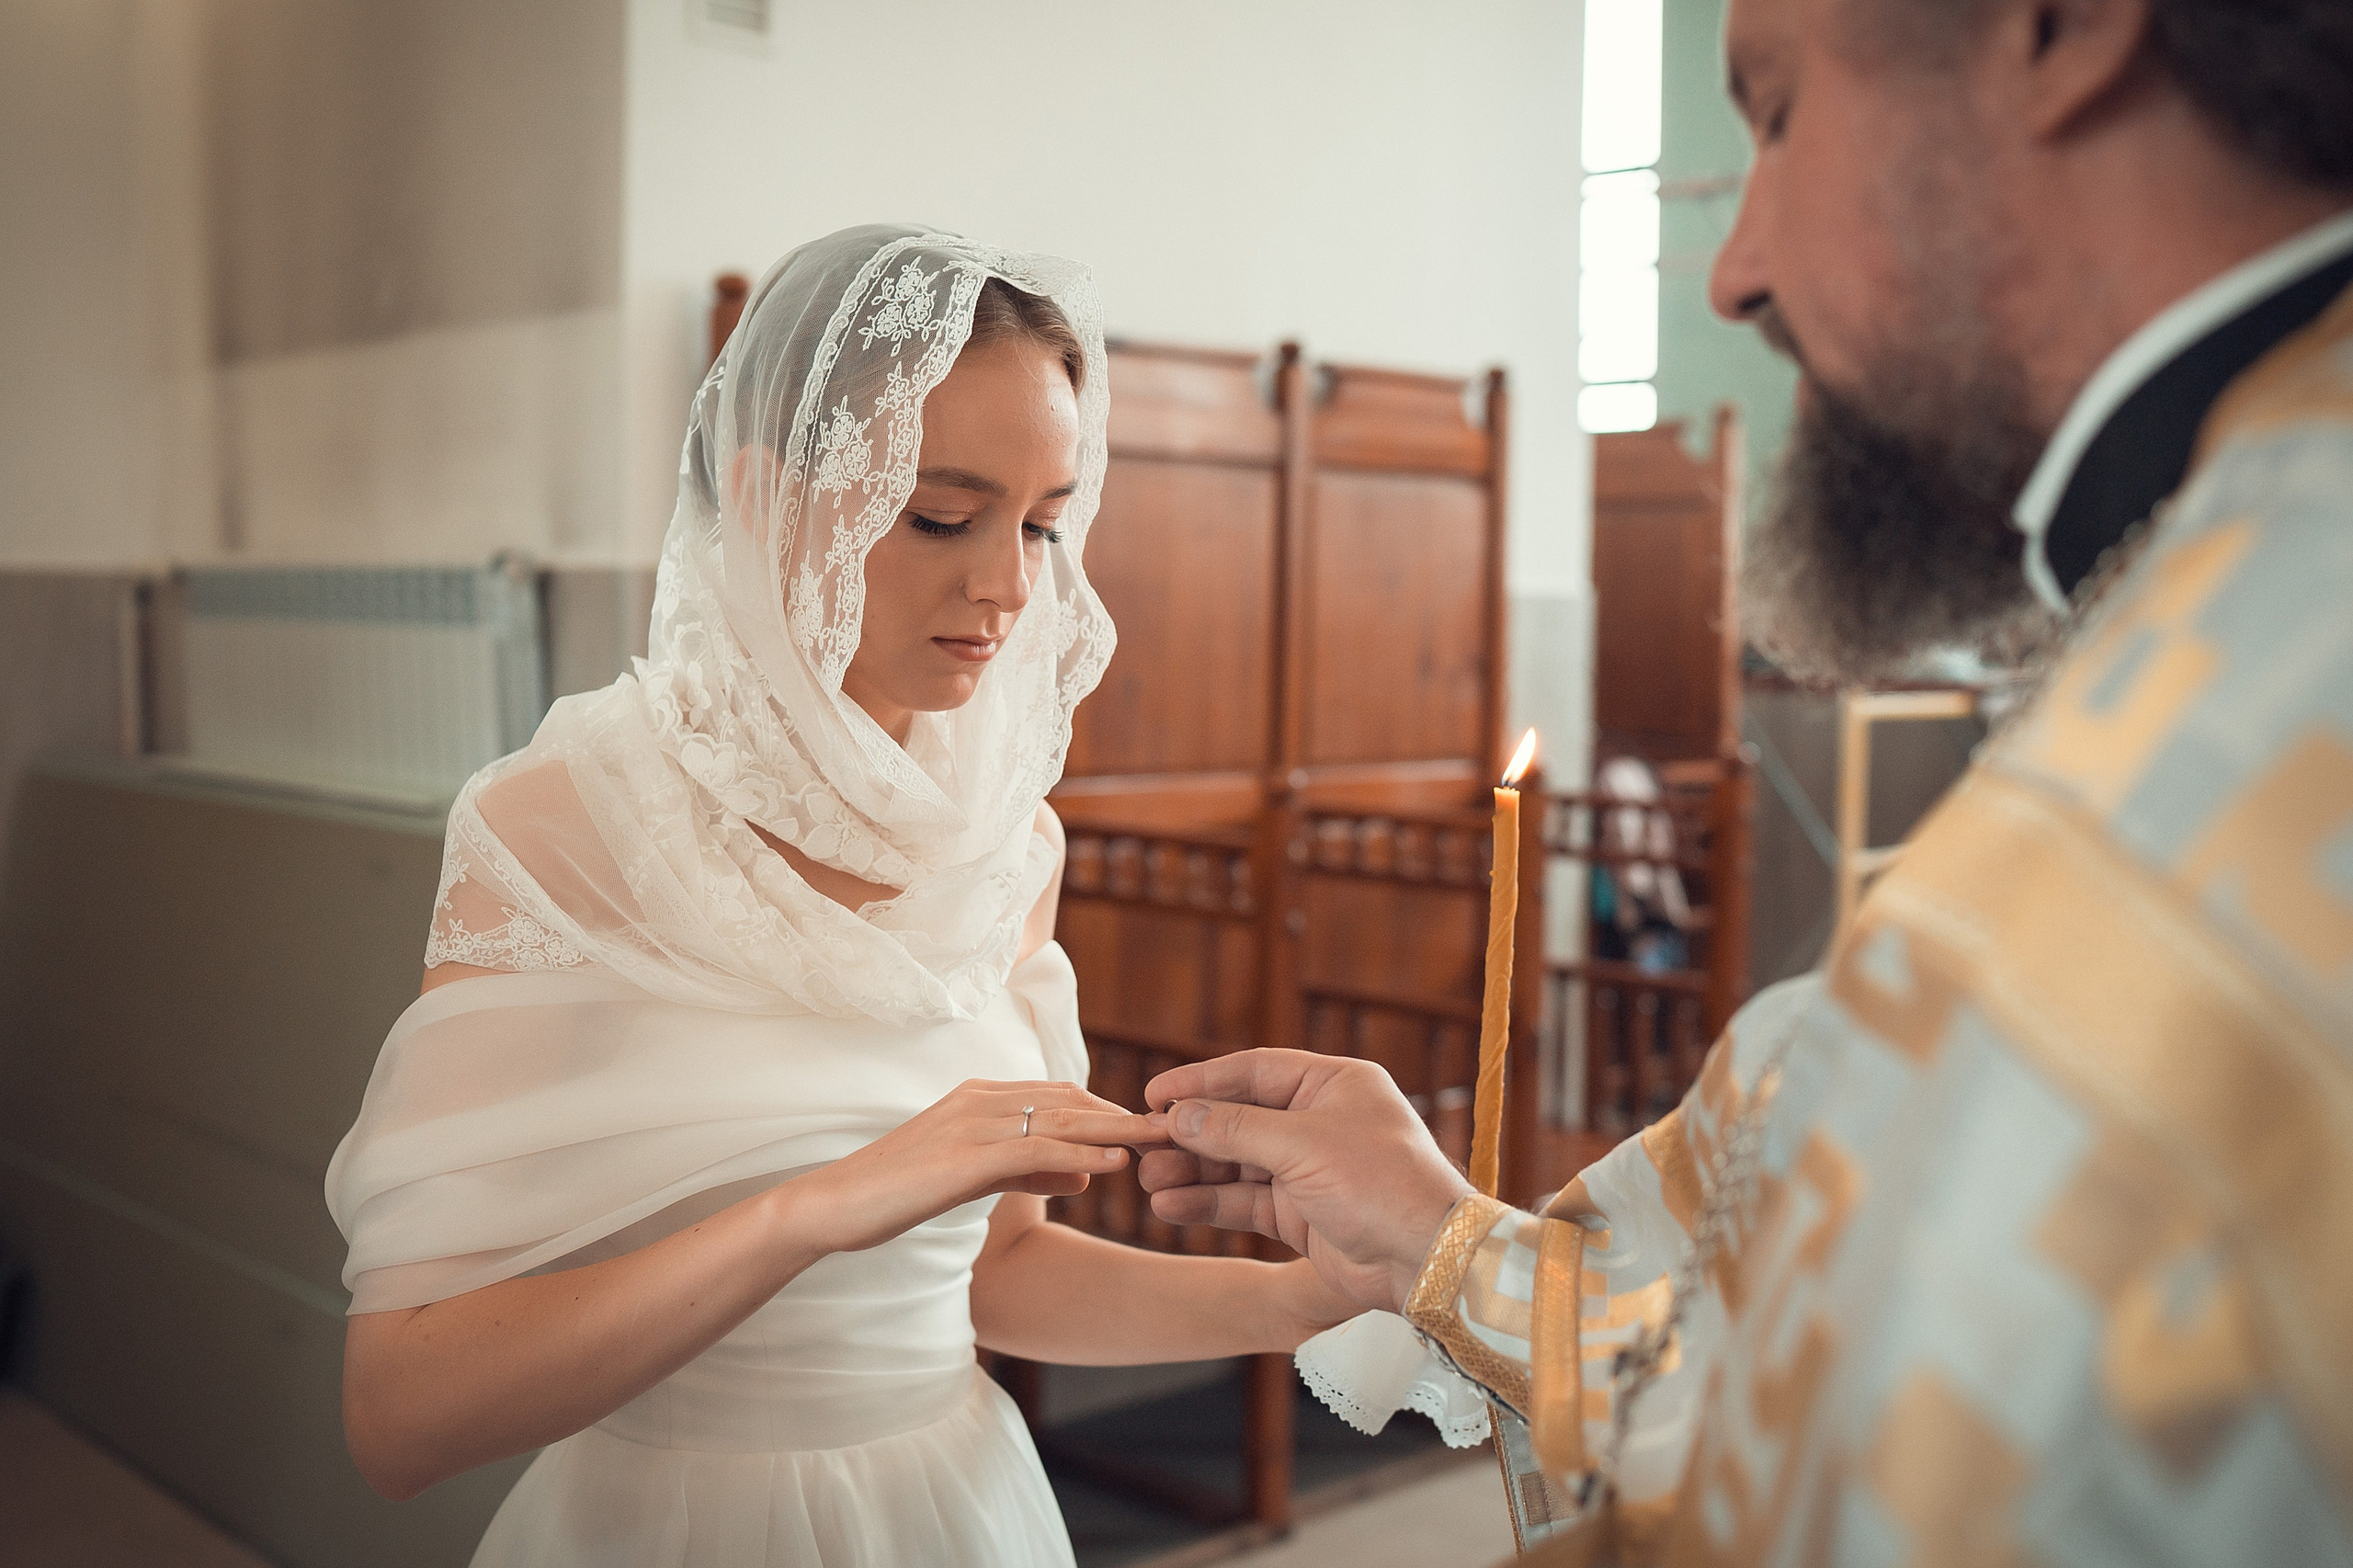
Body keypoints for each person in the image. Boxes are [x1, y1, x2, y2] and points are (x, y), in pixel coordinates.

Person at [1141, 0, 2353, 1562]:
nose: (1735, 269)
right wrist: (1442, 1243)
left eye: (1775, 114)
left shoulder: (2285, 654)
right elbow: (1830, 1343)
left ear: (2063, 29)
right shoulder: (2220, 575)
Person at [325, 225, 1347, 1568]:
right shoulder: (563, 822)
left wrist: (1310, 1304)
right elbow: (400, 1415)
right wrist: (816, 1206)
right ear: (765, 495)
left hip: (955, 1505)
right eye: (940, 516)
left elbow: (996, 1272)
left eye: (1043, 524)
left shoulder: (1005, 846)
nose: (1007, 587)